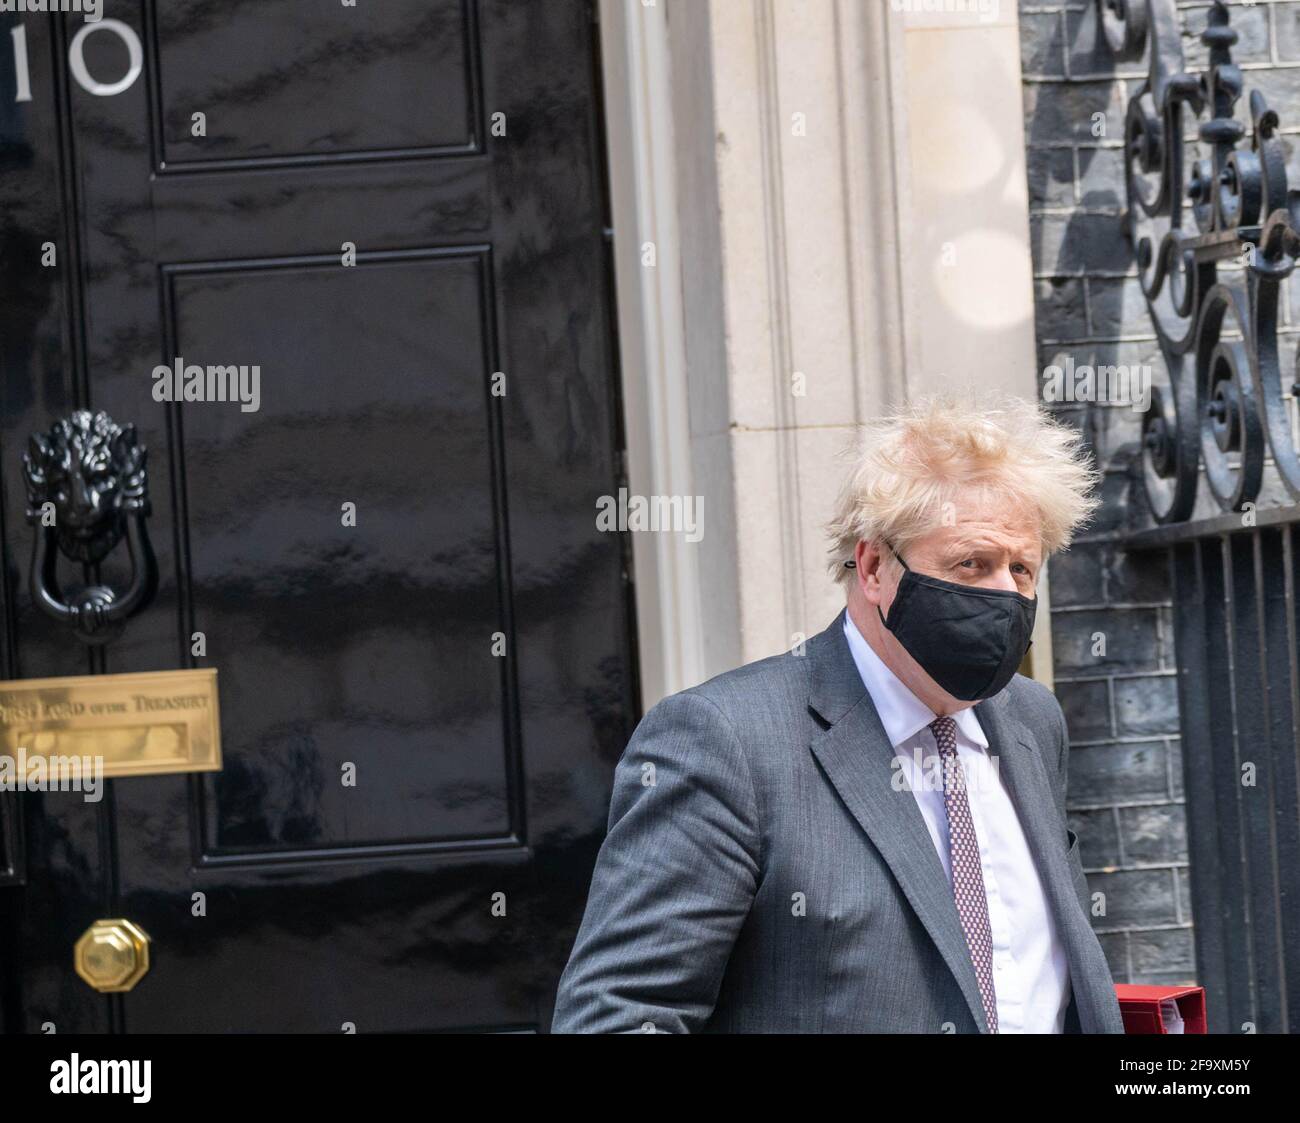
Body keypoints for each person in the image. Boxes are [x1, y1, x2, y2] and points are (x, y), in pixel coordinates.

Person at [552, 396, 1125, 1033]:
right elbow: (623, 1015)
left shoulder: (1031, 723)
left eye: (1021, 569)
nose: (1003, 595)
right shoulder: (725, 740)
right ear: (875, 566)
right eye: (972, 563)